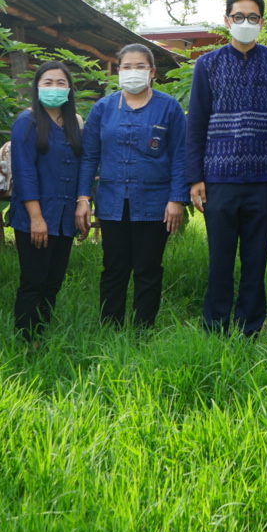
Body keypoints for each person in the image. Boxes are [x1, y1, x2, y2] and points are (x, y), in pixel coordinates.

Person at [186, 0, 267, 336]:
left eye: (252, 17)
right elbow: (197, 121)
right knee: (219, 259)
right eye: (238, 16)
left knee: (255, 259)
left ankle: (250, 327)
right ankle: (214, 324)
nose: (245, 22)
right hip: (218, 179)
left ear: (262, 21)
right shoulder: (208, 64)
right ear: (226, 20)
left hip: (264, 180)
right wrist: (195, 177)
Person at [77, 44, 188, 329]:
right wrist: (83, 197)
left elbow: (180, 155)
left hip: (154, 202)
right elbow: (89, 156)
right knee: (114, 267)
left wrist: (176, 199)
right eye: (126, 67)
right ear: (118, 71)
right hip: (113, 200)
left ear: (151, 72)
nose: (132, 72)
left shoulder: (169, 107)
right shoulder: (103, 108)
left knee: (148, 268)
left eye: (139, 67)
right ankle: (109, 326)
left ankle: (143, 330)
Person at [9, 61, 84, 340]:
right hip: (35, 216)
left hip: (64, 217)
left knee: (53, 281)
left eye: (60, 83)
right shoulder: (26, 121)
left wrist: (82, 203)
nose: (54, 87)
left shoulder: (75, 123)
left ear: (69, 88)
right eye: (48, 82)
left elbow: (81, 167)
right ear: (37, 87)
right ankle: (25, 341)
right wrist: (36, 218)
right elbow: (24, 172)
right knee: (33, 281)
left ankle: (43, 335)